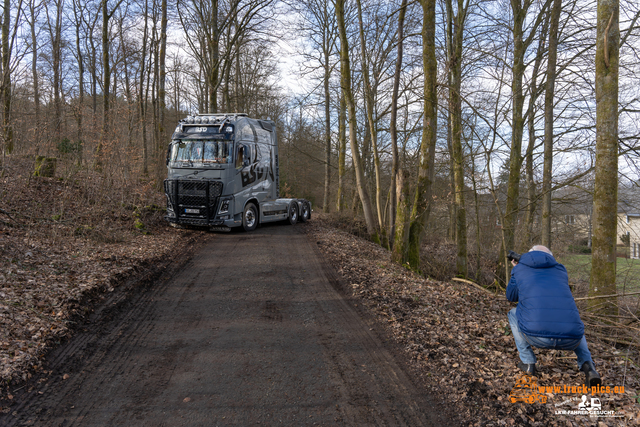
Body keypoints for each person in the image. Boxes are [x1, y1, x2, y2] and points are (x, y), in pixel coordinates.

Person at [506, 245, 601, 387]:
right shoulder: (561, 270)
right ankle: (589, 367)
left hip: (537, 336)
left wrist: (516, 270)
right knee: (572, 321)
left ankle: (527, 362)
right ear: (551, 257)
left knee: (513, 313)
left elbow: (511, 296)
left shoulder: (520, 269)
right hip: (571, 340)